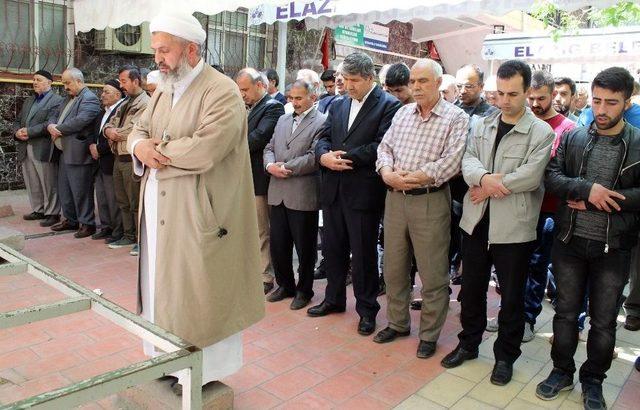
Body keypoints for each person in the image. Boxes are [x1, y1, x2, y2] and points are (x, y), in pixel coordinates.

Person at [128, 11, 264, 393]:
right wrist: (139, 145)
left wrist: (157, 154)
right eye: (155, 49)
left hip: (199, 216)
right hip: (158, 212)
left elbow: (206, 149)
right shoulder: (166, 89)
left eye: (164, 49)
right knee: (162, 289)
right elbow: (139, 129)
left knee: (202, 294)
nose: (158, 58)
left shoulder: (220, 91)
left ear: (190, 49)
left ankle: (202, 373)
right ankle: (164, 360)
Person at [441, 60, 554, 387]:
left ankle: (506, 356)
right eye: (500, 93)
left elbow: (531, 177)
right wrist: (488, 178)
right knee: (472, 290)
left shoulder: (541, 132)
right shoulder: (481, 124)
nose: (505, 100)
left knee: (512, 297)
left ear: (527, 91)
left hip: (515, 228)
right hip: (476, 223)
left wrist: (487, 184)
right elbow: (467, 162)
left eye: (513, 94)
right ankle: (469, 343)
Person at [539, 67, 640, 409]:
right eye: (596, 100)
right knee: (565, 313)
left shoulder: (638, 143)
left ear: (627, 102)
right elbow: (551, 177)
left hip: (614, 248)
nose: (601, 109)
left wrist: (604, 200)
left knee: (604, 321)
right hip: (569, 241)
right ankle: (561, 371)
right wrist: (586, 189)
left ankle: (593, 379)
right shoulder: (574, 137)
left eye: (611, 102)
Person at [374, 59, 468, 359]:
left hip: (429, 199)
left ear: (438, 83)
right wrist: (387, 172)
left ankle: (429, 334)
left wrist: (414, 177)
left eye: (423, 81)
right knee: (394, 268)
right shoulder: (402, 113)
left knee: (432, 272)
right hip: (395, 199)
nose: (415, 87)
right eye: (413, 81)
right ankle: (398, 323)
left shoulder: (456, 118)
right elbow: (384, 147)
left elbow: (453, 160)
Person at [307, 52, 402, 336]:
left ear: (369, 78)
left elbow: (382, 144)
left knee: (362, 256)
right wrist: (323, 156)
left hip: (363, 191)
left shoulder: (389, 105)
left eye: (354, 80)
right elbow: (323, 136)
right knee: (334, 250)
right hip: (333, 189)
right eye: (344, 79)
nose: (348, 85)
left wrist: (345, 157)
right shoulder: (338, 104)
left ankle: (367, 310)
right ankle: (334, 299)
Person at [519, 70, 575, 341]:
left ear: (553, 95)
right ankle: (512, 314)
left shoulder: (568, 130)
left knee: (537, 264)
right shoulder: (523, 120)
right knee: (514, 264)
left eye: (541, 98)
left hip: (549, 210)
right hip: (519, 205)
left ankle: (528, 318)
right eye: (530, 98)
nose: (534, 104)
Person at [264, 79, 326, 310]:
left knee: (305, 247)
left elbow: (314, 156)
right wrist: (270, 166)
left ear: (313, 97)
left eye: (298, 98)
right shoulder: (283, 119)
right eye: (290, 98)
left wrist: (285, 168)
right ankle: (285, 285)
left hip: (302, 192)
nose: (293, 102)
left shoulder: (322, 121)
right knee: (278, 244)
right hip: (277, 190)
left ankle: (304, 290)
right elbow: (269, 147)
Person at [236, 67, 285, 295]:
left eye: (245, 89)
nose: (242, 93)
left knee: (262, 230)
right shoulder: (250, 108)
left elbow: (258, 138)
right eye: (240, 90)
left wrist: (230, 148)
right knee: (252, 230)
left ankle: (265, 275)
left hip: (260, 180)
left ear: (260, 85)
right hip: (246, 178)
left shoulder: (272, 107)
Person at [47, 68, 101, 238]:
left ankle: (87, 223)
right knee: (65, 190)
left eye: (67, 83)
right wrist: (50, 126)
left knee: (81, 191)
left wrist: (58, 129)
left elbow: (81, 121)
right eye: (63, 83)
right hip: (63, 152)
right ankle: (71, 220)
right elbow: (54, 115)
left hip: (78, 153)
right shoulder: (67, 99)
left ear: (79, 81)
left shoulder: (90, 98)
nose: (65, 87)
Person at [103, 65, 150, 256]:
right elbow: (109, 123)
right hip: (118, 157)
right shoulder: (124, 103)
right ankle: (128, 235)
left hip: (132, 159)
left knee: (136, 202)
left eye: (124, 81)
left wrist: (113, 134)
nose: (121, 86)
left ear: (135, 81)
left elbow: (135, 130)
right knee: (122, 201)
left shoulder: (145, 103)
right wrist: (108, 131)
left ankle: (140, 239)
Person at [13, 70, 63, 227]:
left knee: (48, 181)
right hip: (25, 146)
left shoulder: (57, 100)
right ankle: (38, 209)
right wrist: (17, 132)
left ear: (49, 82)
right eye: (34, 79)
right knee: (32, 180)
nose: (35, 82)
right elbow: (18, 120)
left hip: (43, 147)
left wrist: (28, 131)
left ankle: (52, 213)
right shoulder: (29, 100)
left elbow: (50, 123)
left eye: (39, 80)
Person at [90, 79, 125, 243]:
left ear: (118, 94)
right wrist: (92, 145)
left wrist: (99, 149)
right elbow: (94, 131)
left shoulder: (120, 110)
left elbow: (116, 135)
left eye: (106, 92)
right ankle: (106, 227)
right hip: (98, 161)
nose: (102, 95)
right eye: (102, 91)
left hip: (110, 159)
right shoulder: (101, 111)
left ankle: (117, 231)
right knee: (102, 197)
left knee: (113, 199)